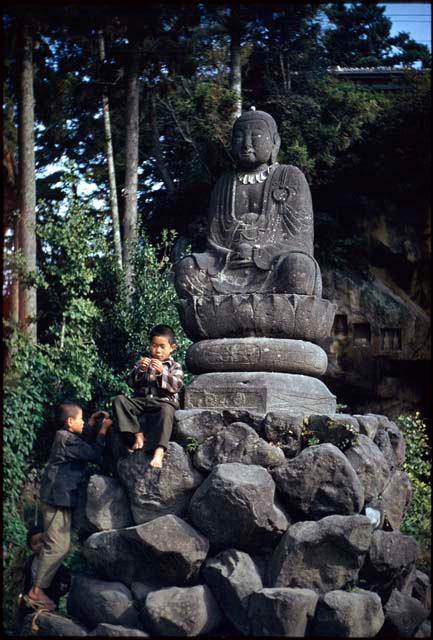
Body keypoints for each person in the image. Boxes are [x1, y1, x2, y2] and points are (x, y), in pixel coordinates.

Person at [174, 107, 322, 299]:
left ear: (275, 143)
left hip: (273, 266)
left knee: (299, 269)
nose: (246, 144)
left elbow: (301, 240)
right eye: (239, 137)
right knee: (187, 269)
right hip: (227, 266)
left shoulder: (289, 176)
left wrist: (259, 254)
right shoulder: (224, 183)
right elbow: (213, 242)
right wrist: (230, 255)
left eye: (256, 136)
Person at [25, 403, 112, 610]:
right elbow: (91, 453)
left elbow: (81, 444)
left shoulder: (66, 437)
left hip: (60, 498)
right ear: (70, 422)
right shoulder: (64, 438)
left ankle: (38, 589)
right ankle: (36, 591)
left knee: (60, 547)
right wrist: (102, 430)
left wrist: (90, 424)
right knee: (57, 547)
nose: (84, 422)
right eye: (81, 419)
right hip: (56, 498)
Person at [112, 324, 183, 469]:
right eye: (154, 346)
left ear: (172, 347)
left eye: (162, 346)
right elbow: (130, 382)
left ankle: (159, 451)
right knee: (119, 400)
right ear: (150, 345)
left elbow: (176, 386)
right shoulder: (144, 362)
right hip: (142, 401)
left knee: (167, 410)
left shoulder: (175, 366)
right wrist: (139, 370)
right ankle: (138, 434)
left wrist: (160, 373)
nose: (157, 350)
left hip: (162, 402)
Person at [17, 525, 71, 622]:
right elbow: (24, 577)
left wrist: (54, 592)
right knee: (25, 621)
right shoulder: (29, 561)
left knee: (45, 623)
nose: (39, 545)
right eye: (35, 543)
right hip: (29, 601)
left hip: (48, 600)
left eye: (42, 541)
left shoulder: (55, 562)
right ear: (30, 547)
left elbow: (64, 581)